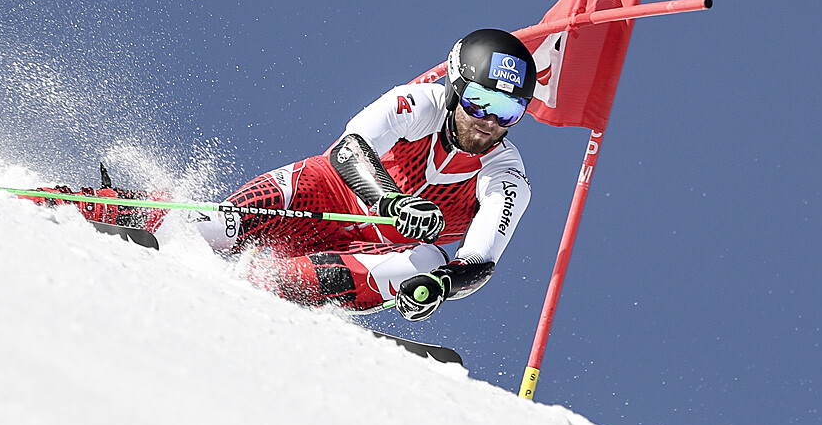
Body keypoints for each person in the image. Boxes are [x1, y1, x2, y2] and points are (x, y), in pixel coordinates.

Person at [27, 29, 534, 322]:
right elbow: (350, 149)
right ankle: (87, 206)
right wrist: (391, 203)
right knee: (213, 230)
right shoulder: (418, 103)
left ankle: (277, 286)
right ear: (454, 86)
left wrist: (442, 285)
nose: (488, 121)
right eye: (480, 101)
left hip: (377, 253)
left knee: (427, 256)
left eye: (508, 111)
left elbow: (480, 258)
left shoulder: (506, 175)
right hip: (324, 195)